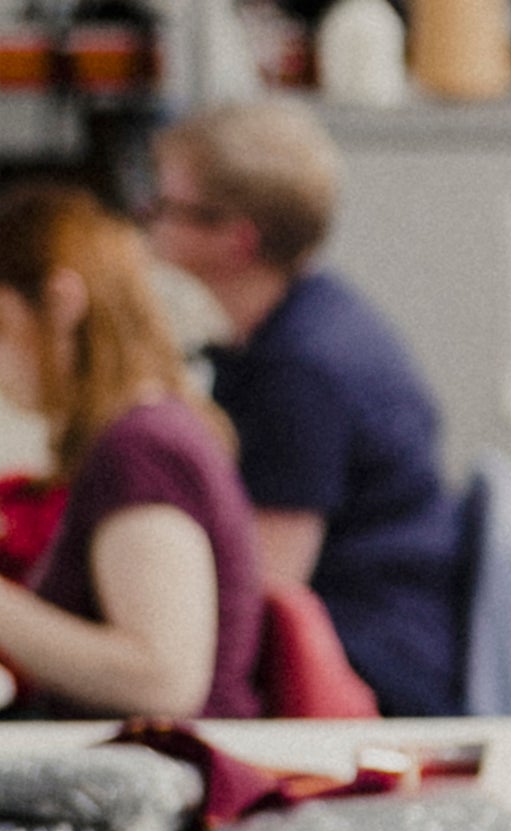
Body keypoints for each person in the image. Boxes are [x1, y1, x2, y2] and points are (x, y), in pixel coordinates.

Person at [148, 101, 462, 715]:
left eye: (167, 208)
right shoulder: (306, 314)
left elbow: (263, 584)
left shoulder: (298, 370)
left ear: (236, 240)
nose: (150, 222)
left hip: (369, 671)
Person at [0, 182, 265, 723]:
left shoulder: (141, 451)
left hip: (168, 784)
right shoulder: (150, 429)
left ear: (62, 303)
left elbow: (163, 680)